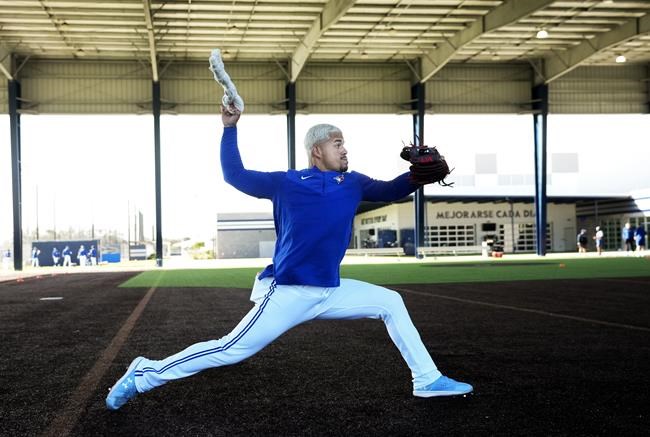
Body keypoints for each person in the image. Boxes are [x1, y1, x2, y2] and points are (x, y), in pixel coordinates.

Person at [106, 105, 473, 411]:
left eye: (345, 144)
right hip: (288, 291)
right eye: (338, 144)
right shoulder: (286, 182)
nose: (345, 150)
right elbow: (234, 175)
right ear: (317, 150)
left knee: (390, 302)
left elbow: (392, 190)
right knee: (230, 349)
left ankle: (427, 379)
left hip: (329, 290)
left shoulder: (354, 183)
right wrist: (229, 128)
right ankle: (144, 374)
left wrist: (418, 175)